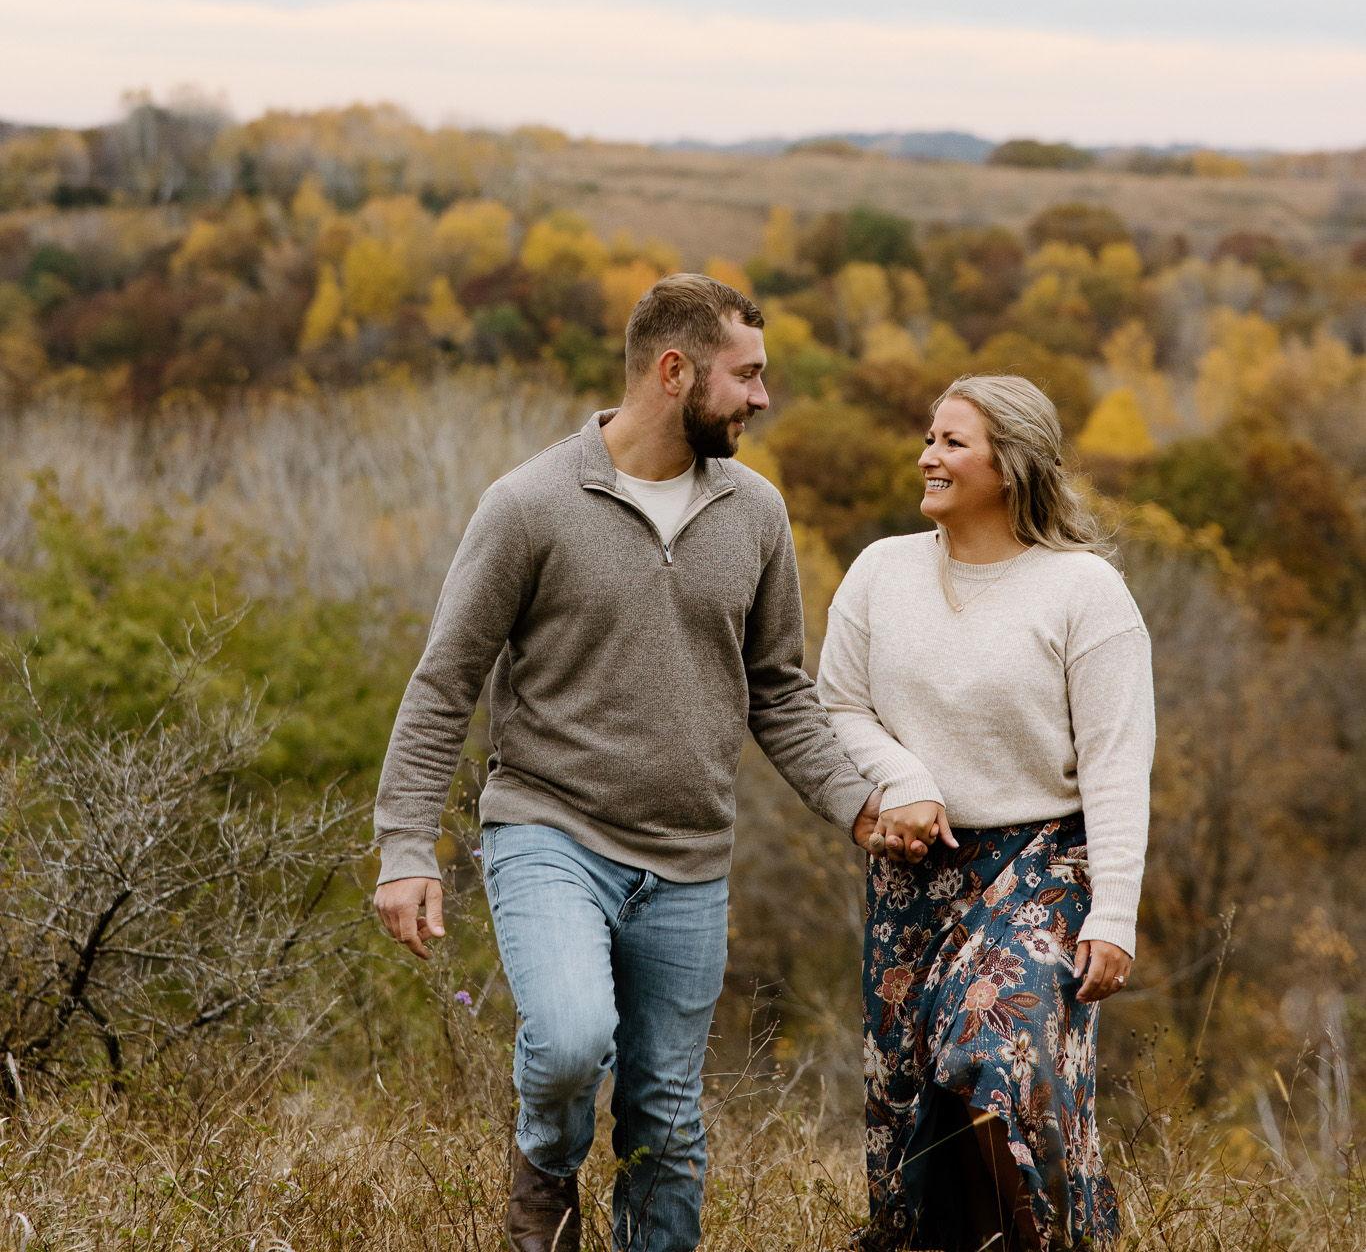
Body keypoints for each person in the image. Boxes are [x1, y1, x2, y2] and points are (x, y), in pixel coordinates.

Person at [371, 273, 884, 1252]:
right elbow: (444, 683)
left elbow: (778, 690)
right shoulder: (529, 505)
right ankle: (545, 1178)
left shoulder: (756, 513)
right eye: (747, 375)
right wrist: (404, 847)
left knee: (667, 1124)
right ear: (673, 370)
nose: (763, 397)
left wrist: (858, 805)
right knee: (570, 1042)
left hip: (689, 858)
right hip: (549, 831)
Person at [818, 375, 1154, 1251]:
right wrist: (904, 779)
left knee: (990, 1054)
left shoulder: (1084, 591)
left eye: (952, 442)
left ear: (1010, 465)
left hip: (1045, 866)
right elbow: (838, 706)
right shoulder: (881, 571)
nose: (926, 457)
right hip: (913, 873)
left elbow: (1118, 765)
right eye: (929, 437)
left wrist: (1115, 914)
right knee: (913, 1104)